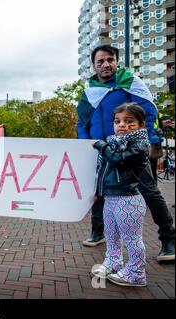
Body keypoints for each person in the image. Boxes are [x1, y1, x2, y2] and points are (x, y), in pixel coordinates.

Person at [77, 44, 175, 261]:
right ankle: (97, 231)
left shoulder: (131, 84)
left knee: (149, 192)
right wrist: (86, 145)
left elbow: (149, 114)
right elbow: (82, 123)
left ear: (116, 62)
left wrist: (141, 143)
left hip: (131, 151)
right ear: (93, 66)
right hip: (101, 150)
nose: (105, 64)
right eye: (100, 61)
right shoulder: (88, 92)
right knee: (99, 192)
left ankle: (169, 240)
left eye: (110, 60)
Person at [91, 103, 149, 287]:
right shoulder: (116, 143)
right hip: (111, 197)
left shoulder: (138, 145)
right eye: (118, 121)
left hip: (128, 199)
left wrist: (102, 146)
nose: (122, 125)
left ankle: (137, 273)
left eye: (129, 121)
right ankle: (113, 262)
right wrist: (97, 192)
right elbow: (102, 171)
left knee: (132, 238)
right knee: (111, 235)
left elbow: (116, 160)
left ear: (141, 124)